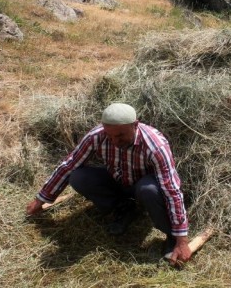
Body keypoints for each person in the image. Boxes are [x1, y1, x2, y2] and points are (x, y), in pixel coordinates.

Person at [25, 103, 191, 265]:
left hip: (144, 187)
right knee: (78, 177)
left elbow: (171, 191)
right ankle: (124, 208)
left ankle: (171, 235)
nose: (114, 141)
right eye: (110, 136)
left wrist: (181, 239)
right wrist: (41, 199)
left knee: (148, 189)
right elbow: (69, 164)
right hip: (118, 181)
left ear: (135, 125)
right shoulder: (97, 136)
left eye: (120, 136)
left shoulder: (155, 146)